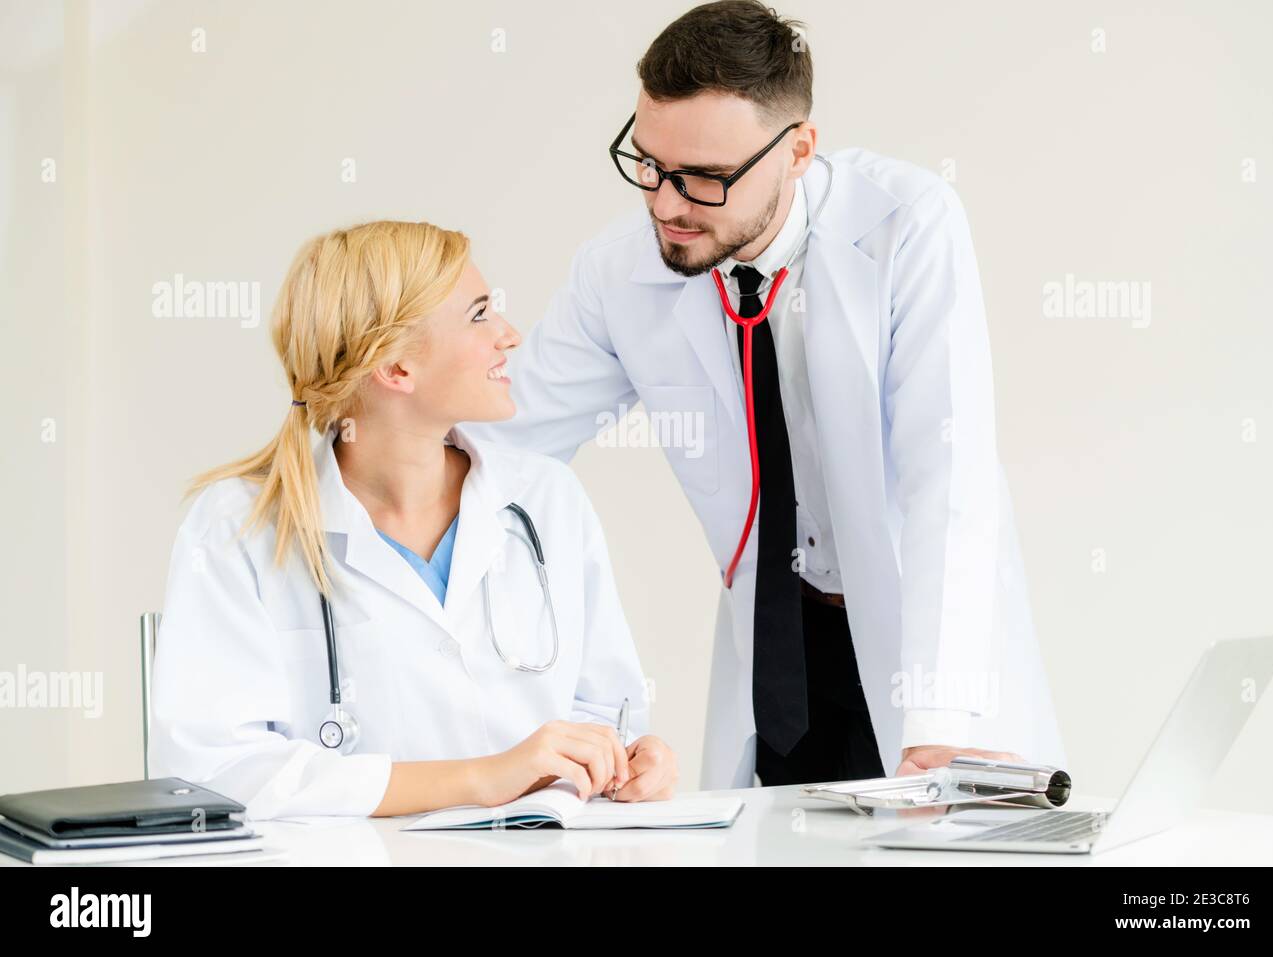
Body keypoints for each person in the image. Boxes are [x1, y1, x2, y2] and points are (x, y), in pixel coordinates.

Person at [463, 0, 1066, 789]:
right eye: (649, 164)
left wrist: (941, 713)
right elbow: (506, 438)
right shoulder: (621, 271)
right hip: (781, 651)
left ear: (799, 150)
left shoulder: (906, 226)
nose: (668, 204)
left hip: (923, 651)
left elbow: (946, 479)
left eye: (706, 178)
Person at [149, 220, 678, 819]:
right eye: (479, 315)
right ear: (397, 368)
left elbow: (603, 712)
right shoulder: (237, 525)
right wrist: (485, 778)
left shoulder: (547, 499)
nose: (509, 335)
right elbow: (218, 769)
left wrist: (627, 759)